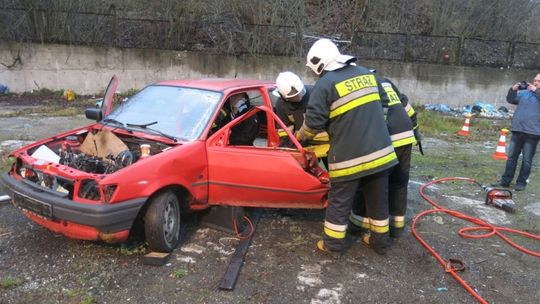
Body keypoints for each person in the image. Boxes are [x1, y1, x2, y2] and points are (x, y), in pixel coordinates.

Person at [296, 38, 398, 255]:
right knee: (378, 200)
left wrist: (300, 136)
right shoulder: (367, 74)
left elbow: (313, 123)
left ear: (318, 63)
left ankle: (332, 246)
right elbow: (385, 103)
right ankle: (380, 243)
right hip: (381, 153)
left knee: (339, 201)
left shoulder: (325, 84)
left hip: (348, 158)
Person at [350, 76, 418, 240]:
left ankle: (360, 224)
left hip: (387, 138)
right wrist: (414, 131)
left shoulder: (360, 87)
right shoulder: (386, 82)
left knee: (373, 183)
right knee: (399, 182)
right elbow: (409, 110)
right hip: (406, 135)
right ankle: (396, 228)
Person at [494, 74, 540, 191]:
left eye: (538, 81)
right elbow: (510, 99)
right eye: (534, 80)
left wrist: (536, 91)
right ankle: (505, 181)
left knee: (527, 160)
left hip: (532, 133)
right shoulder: (525, 93)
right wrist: (513, 90)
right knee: (511, 158)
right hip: (517, 130)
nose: (535, 83)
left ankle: (521, 182)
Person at [273, 71, 329, 168]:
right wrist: (286, 150)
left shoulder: (315, 94)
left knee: (335, 173)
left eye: (301, 93)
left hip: (328, 144)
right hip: (305, 146)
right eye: (294, 97)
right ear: (284, 97)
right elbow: (285, 131)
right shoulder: (281, 105)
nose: (299, 97)